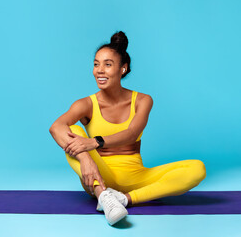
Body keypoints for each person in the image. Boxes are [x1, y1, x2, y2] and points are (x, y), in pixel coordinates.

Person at [49, 31, 206, 225]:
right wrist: (85, 160)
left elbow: (131, 134)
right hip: (99, 176)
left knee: (197, 168)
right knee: (71, 131)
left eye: (107, 64)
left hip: (137, 177)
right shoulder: (86, 104)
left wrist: (94, 142)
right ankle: (103, 196)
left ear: (122, 69)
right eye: (96, 64)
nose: (99, 70)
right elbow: (55, 127)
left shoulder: (143, 100)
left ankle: (123, 199)